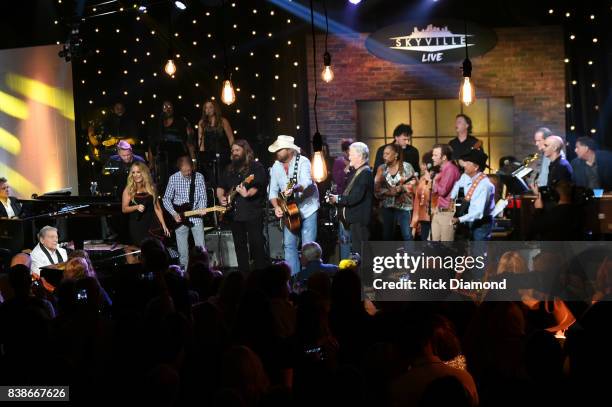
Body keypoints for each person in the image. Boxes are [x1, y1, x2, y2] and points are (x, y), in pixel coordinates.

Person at [268, 135, 319, 276]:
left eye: (280, 149)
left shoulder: (303, 162)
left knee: (308, 247)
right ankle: (294, 279)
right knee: (289, 245)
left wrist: (294, 188)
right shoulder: (276, 166)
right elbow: (272, 191)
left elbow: (306, 182)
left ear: (290, 150)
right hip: (290, 210)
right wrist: (276, 206)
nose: (277, 152)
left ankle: (308, 278)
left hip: (308, 208)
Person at [216, 140, 268, 272]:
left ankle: (260, 274)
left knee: (257, 244)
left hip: (252, 213)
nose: (234, 153)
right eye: (232, 151)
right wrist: (221, 197)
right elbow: (221, 187)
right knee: (239, 247)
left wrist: (247, 193)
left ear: (245, 151)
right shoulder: (228, 169)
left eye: (237, 150)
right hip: (235, 215)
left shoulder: (256, 167)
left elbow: (258, 185)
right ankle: (244, 276)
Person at [328, 142, 373, 256]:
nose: (349, 157)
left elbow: (355, 197)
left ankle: (366, 273)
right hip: (354, 219)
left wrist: (338, 199)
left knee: (362, 252)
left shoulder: (365, 173)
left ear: (360, 156)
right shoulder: (357, 172)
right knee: (357, 252)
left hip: (360, 220)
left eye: (351, 154)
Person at [163, 156, 207, 269]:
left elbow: (203, 196)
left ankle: (203, 273)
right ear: (179, 169)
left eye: (189, 170)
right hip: (179, 219)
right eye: (184, 171)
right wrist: (173, 213)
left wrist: (202, 208)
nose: (187, 173)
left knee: (201, 250)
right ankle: (184, 275)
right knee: (183, 253)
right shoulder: (173, 178)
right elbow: (166, 198)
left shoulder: (199, 177)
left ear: (192, 167)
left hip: (195, 217)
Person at [451, 149, 496, 241]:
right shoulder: (465, 176)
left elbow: (478, 212)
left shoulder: (485, 185)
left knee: (478, 252)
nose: (464, 165)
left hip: (481, 223)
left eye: (468, 163)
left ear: (476, 167)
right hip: (468, 219)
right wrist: (451, 200)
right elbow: (457, 186)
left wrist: (459, 219)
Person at [122, 161, 170, 246]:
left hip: (152, 224)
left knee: (154, 249)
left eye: (138, 172)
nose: (136, 175)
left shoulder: (151, 188)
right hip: (137, 225)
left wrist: (163, 225)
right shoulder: (129, 189)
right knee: (141, 249)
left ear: (144, 173)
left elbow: (157, 208)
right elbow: (124, 209)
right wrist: (136, 207)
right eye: (133, 173)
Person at [149, 100, 195, 187]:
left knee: (180, 182)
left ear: (173, 109)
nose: (167, 109)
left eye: (169, 107)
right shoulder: (158, 124)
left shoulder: (181, 122)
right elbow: (152, 144)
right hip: (163, 159)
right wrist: (151, 162)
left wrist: (193, 160)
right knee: (164, 183)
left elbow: (189, 142)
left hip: (179, 158)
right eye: (165, 107)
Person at [375, 144, 415, 241]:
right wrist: (388, 192)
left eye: (387, 153)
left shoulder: (406, 166)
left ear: (396, 155)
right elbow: (376, 189)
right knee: (387, 236)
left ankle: (409, 255)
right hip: (387, 207)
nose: (384, 156)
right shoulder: (381, 168)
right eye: (384, 154)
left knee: (407, 236)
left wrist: (402, 188)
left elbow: (414, 186)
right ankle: (389, 255)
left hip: (404, 207)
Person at [197, 100, 234, 187]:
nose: (208, 109)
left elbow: (231, 138)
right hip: (209, 154)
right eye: (206, 107)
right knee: (211, 178)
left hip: (223, 153)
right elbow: (200, 141)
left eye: (210, 107)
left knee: (222, 177)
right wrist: (202, 156)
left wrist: (233, 152)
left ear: (215, 109)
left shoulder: (223, 121)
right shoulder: (202, 123)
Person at [430, 144, 461, 241]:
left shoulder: (450, 169)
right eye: (433, 155)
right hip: (439, 210)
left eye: (435, 155)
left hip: (448, 212)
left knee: (445, 248)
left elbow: (443, 191)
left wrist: (434, 181)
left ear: (444, 157)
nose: (432, 157)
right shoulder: (443, 170)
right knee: (433, 245)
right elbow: (436, 192)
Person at [332, 138, 353, 260]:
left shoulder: (359, 163)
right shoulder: (339, 162)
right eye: (349, 151)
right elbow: (338, 180)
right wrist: (347, 168)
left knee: (354, 233)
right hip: (343, 200)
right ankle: (345, 262)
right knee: (344, 232)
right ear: (345, 151)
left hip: (354, 201)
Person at [411, 151, 434, 240]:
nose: (421, 166)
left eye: (424, 164)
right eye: (422, 164)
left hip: (432, 215)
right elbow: (418, 198)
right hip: (423, 216)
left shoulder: (435, 177)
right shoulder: (422, 178)